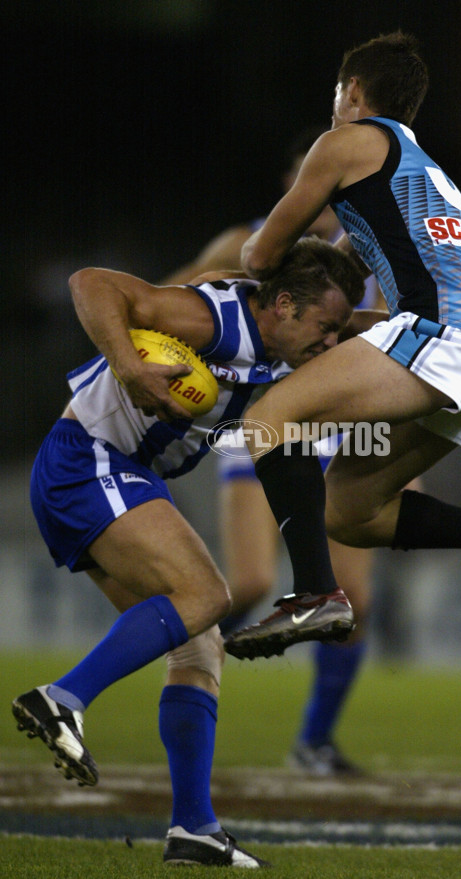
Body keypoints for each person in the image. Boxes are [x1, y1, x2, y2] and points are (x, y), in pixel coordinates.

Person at [221, 29, 461, 662]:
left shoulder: (347, 143)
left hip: (448, 337)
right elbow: (350, 274)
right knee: (348, 512)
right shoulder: (421, 172)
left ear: (353, 90)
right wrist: (342, 320)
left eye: (338, 91)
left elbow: (261, 253)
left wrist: (254, 284)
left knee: (268, 417)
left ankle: (313, 594)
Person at [11, 237, 365, 868]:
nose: (331, 343)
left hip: (113, 470)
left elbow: (348, 302)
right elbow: (90, 281)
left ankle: (193, 828)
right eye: (326, 327)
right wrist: (127, 363)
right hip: (87, 460)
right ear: (282, 305)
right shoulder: (213, 319)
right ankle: (62, 698)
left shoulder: (286, 330)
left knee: (199, 645)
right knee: (208, 595)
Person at [162, 127, 395, 776]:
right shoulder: (251, 246)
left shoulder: (369, 259)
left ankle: (313, 742)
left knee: (353, 601)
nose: (321, 199)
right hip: (261, 423)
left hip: (342, 431)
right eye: (311, 185)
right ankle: (171, 642)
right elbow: (173, 305)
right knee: (254, 581)